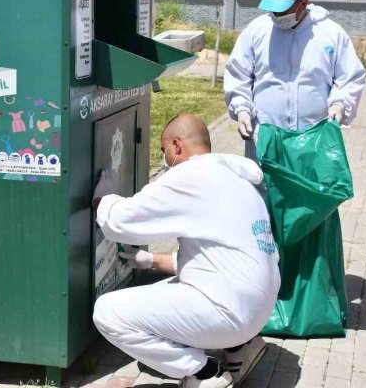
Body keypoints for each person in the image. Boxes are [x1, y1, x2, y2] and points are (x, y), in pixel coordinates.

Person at [92, 114, 281, 388]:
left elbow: (121, 222)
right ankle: (239, 348)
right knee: (170, 298)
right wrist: (152, 260)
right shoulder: (237, 179)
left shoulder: (190, 176)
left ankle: (206, 374)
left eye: (163, 151)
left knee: (107, 313)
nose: (164, 159)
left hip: (232, 311)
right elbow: (217, 257)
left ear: (177, 147)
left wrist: (103, 198)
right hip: (258, 307)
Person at [224, 0, 366, 153]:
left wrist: (340, 105)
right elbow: (238, 74)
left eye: (282, 9)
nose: (276, 15)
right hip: (265, 139)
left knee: (308, 182)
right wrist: (241, 108)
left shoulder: (331, 34)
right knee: (264, 182)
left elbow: (349, 76)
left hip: (314, 140)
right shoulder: (256, 31)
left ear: (303, 3)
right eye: (273, 8)